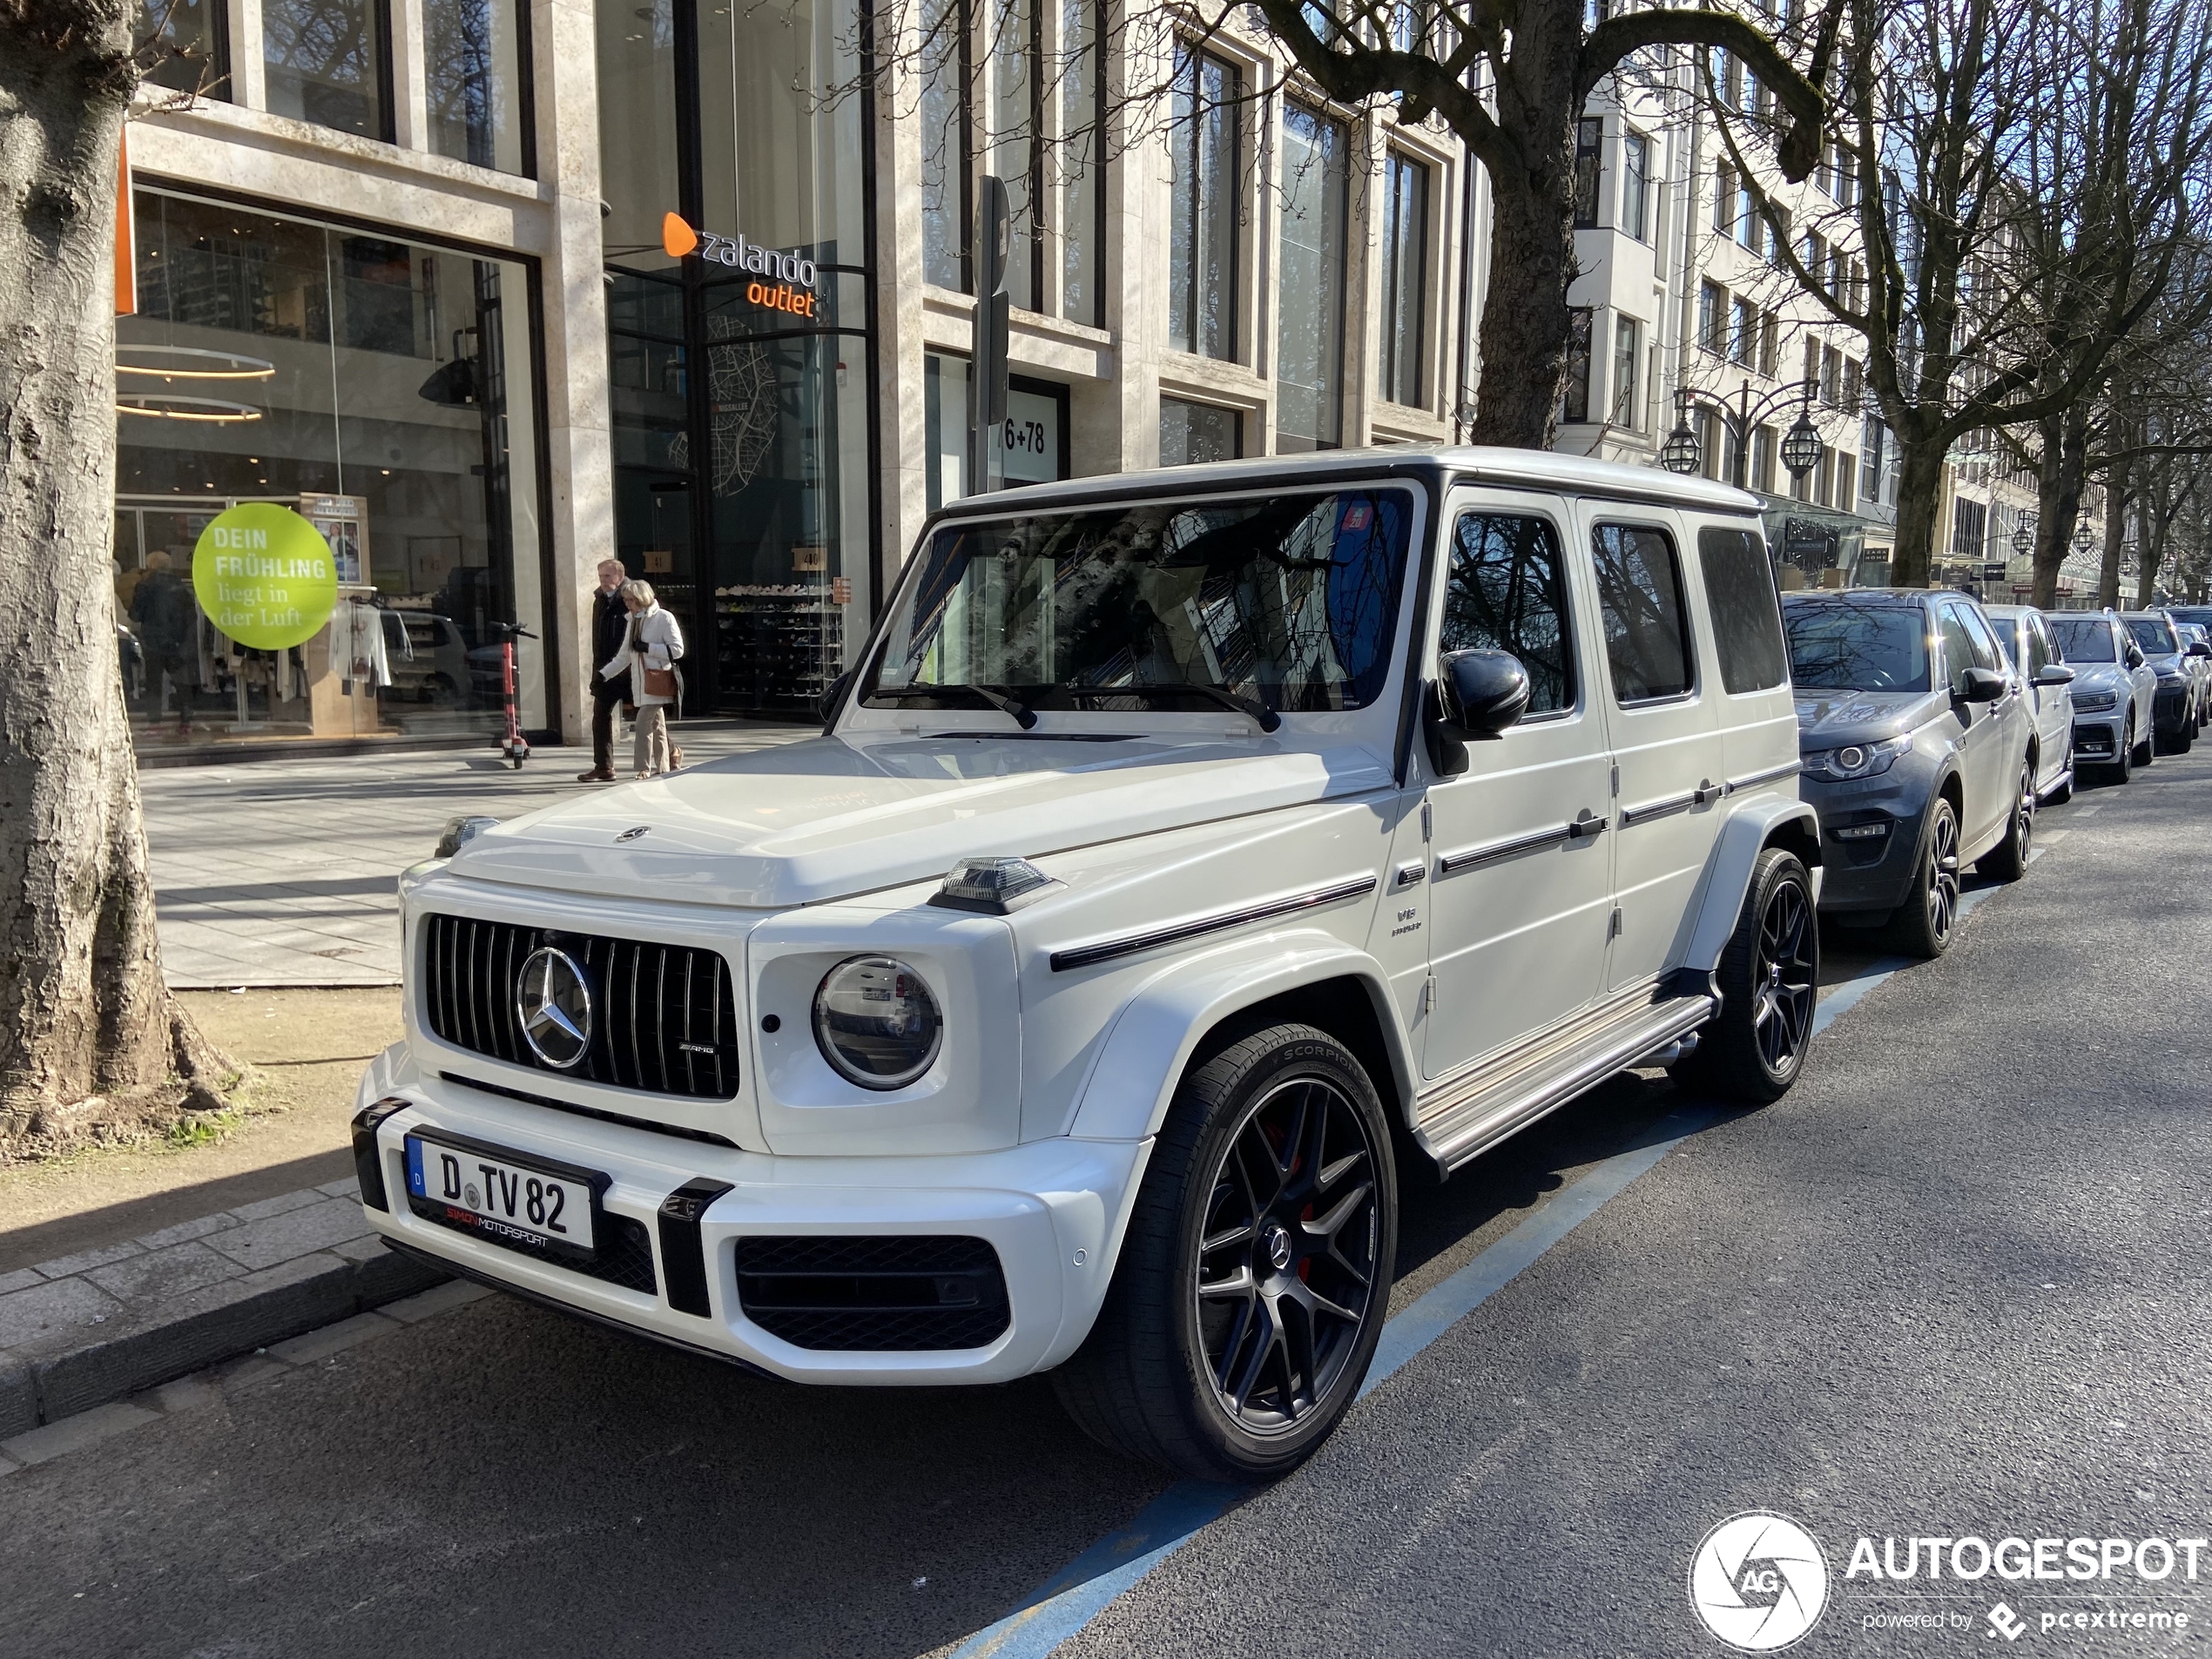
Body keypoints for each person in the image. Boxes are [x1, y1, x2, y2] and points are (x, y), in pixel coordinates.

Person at [598, 579, 684, 778]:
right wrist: (604, 674)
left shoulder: (664, 618)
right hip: (641, 683)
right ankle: (664, 766)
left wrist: (648, 648)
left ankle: (643, 768)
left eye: (631, 600)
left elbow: (677, 650)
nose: (627, 604)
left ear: (641, 599)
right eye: (626, 600)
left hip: (657, 680)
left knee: (643, 724)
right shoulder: (633, 620)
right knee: (658, 727)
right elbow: (624, 655)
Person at [129, 549, 199, 738]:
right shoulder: (181, 587)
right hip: (178, 640)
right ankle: (186, 721)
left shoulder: (144, 586)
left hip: (153, 640)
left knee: (154, 683)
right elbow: (191, 615)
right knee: (182, 682)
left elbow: (135, 614)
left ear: (151, 566)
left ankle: (155, 722)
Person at [577, 558, 629, 782]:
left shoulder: (631, 597)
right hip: (606, 669)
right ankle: (604, 767)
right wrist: (597, 671)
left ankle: (671, 751)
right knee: (600, 717)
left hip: (627, 667)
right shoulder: (599, 599)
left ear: (620, 576)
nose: (603, 581)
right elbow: (597, 639)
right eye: (600, 577)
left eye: (607, 576)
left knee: (649, 718)